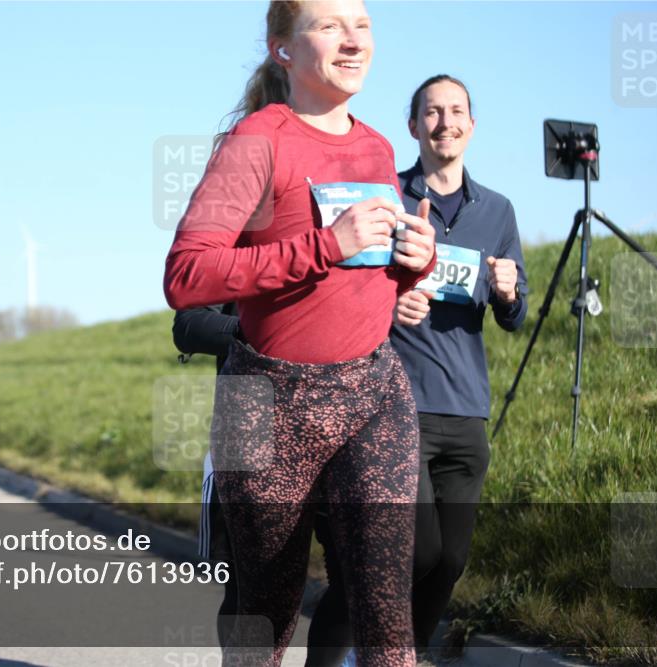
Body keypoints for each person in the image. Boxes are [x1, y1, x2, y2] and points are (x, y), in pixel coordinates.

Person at [163, 1, 437, 664]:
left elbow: (366, 278)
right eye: (329, 25)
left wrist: (415, 259)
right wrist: (324, 245)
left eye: (363, 25)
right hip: (269, 402)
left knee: (385, 610)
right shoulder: (260, 141)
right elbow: (187, 274)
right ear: (283, 48)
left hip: (372, 391)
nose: (353, 40)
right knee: (266, 610)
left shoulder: (376, 147)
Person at [390, 74, 528, 654]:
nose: (444, 122)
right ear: (414, 125)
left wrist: (507, 291)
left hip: (467, 412)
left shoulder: (497, 211)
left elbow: (513, 318)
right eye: (431, 112)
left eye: (455, 112)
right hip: (398, 406)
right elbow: (349, 294)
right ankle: (368, 642)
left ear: (471, 125)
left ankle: (405, 655)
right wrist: (390, 303)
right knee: (414, 552)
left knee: (450, 560)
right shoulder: (388, 198)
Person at [174, 306, 356, 667]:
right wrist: (272, 326)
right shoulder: (240, 249)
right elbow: (190, 324)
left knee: (354, 579)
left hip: (338, 436)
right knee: (249, 590)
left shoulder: (366, 249)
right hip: (250, 434)